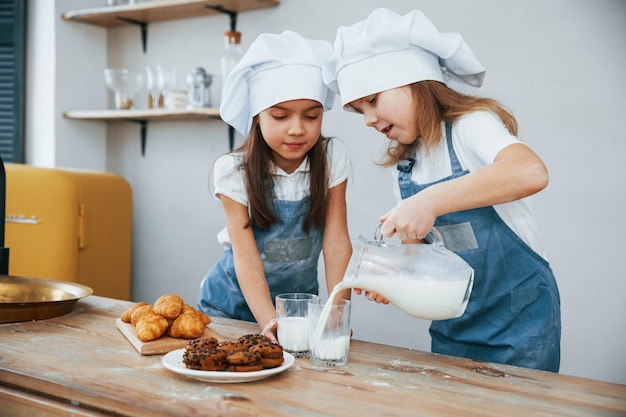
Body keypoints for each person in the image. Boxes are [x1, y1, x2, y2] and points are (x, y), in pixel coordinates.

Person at [323, 8, 561, 372]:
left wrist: (430, 200)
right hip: (453, 329)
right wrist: (389, 275)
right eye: (360, 111)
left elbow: (529, 172)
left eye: (372, 100)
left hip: (520, 328)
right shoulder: (407, 167)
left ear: (417, 82)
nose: (369, 119)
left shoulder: (471, 127)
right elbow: (418, 257)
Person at [198, 31, 352, 343]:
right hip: (230, 307)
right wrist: (269, 322)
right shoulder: (233, 170)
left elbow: (335, 241)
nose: (297, 129)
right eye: (280, 116)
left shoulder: (332, 157)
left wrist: (337, 307)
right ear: (257, 116)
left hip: (296, 308)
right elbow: (246, 257)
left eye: (311, 116)